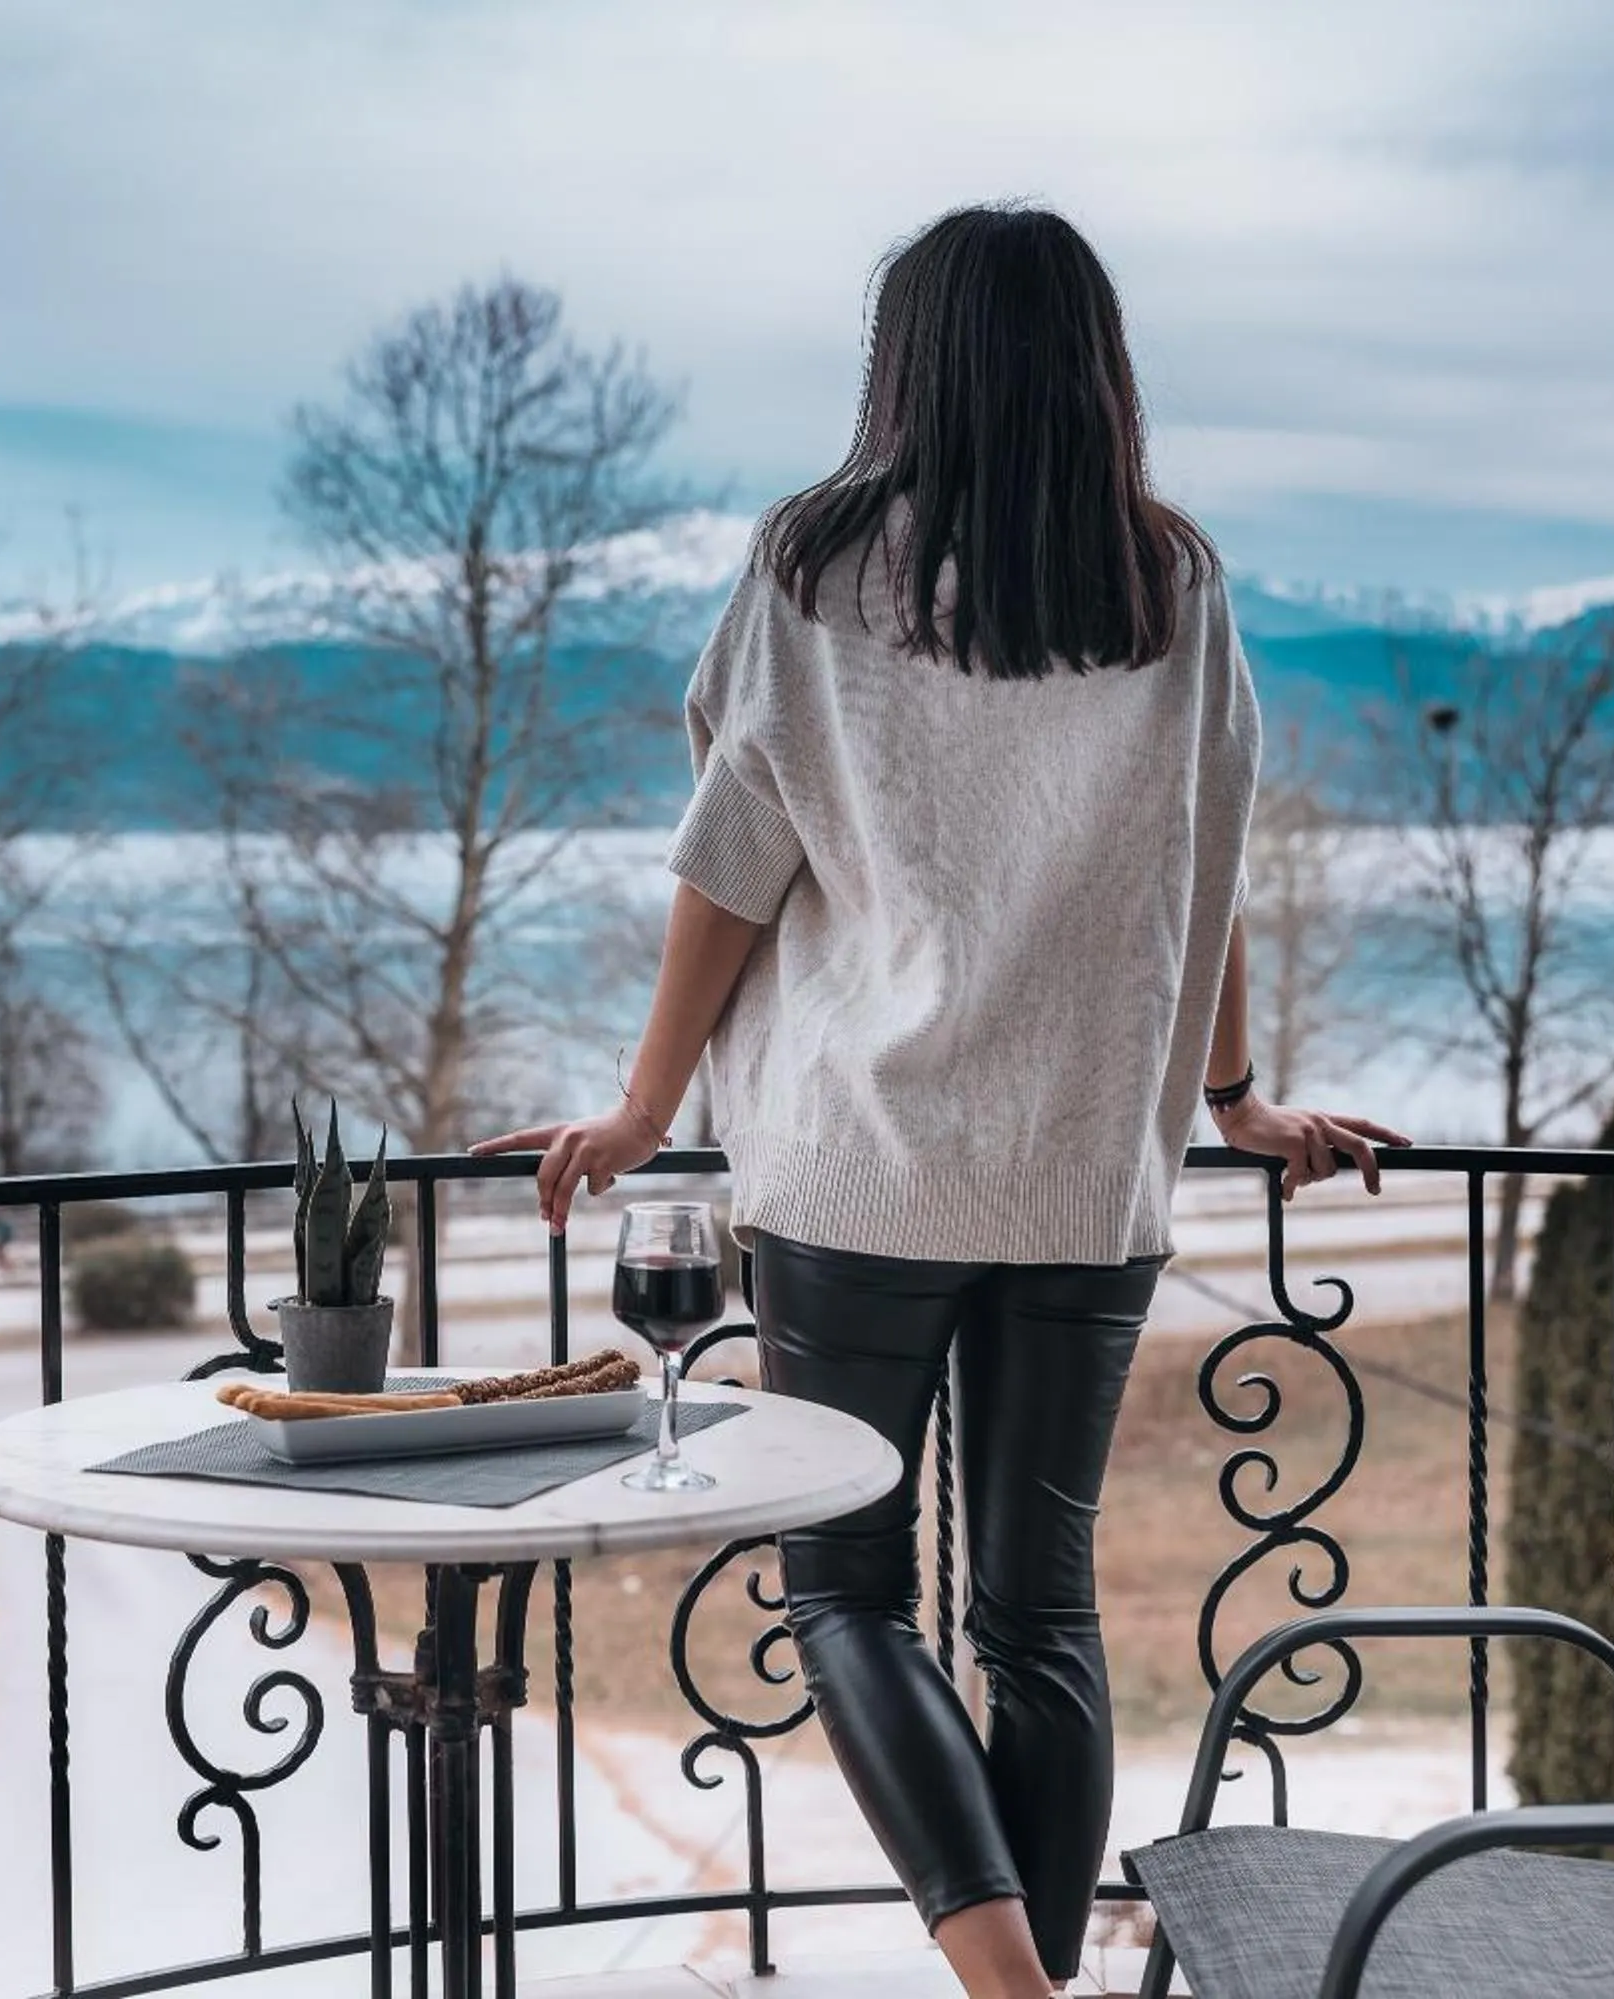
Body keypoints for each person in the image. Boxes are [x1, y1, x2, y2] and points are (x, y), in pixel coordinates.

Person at [473, 205, 1407, 1999]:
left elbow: (728, 864)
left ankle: (1008, 1994)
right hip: (1077, 1176)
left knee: (842, 1594)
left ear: (901, 363)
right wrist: (1232, 1095)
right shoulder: (1170, 582)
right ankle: (1034, 1985)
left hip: (853, 1173)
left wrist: (638, 1102)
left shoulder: (815, 568)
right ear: (1094, 365)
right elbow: (1205, 864)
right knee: (1039, 1619)